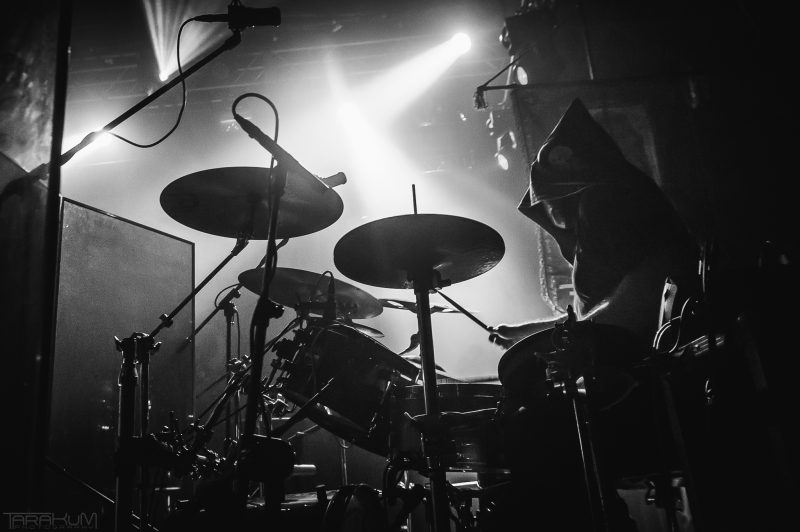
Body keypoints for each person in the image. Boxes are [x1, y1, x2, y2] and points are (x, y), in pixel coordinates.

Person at [486, 99, 701, 531]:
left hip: (657, 389)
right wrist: (533, 332)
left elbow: (633, 309)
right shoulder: (617, 199)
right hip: (638, 377)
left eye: (552, 204)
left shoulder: (610, 202)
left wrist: (554, 340)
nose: (552, 215)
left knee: (530, 434)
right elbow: (607, 313)